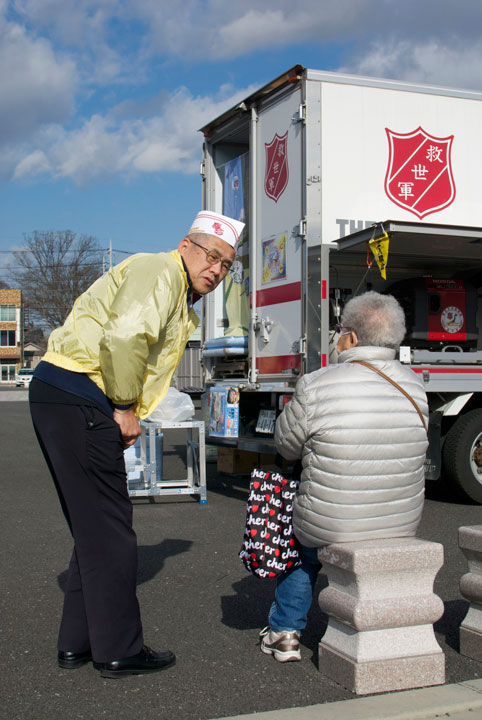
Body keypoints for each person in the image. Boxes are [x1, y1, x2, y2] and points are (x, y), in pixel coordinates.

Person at [29, 211, 244, 678]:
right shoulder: (160, 270)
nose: (217, 269)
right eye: (211, 256)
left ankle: (79, 642)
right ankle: (118, 650)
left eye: (227, 265)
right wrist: (124, 405)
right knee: (112, 530)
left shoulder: (173, 286)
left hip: (62, 392)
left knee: (94, 527)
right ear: (186, 244)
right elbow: (125, 335)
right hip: (82, 392)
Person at [259, 291, 428, 663]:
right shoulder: (416, 386)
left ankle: (285, 631)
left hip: (331, 524)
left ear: (350, 337)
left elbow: (287, 446)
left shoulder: (317, 383)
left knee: (301, 551)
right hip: (401, 521)